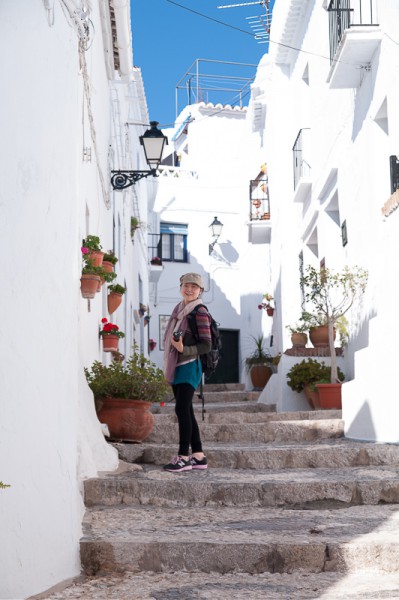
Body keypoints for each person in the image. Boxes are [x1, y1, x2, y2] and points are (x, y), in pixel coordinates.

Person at [162, 273, 212, 473]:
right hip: (178, 365)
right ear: (180, 287)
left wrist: (184, 349)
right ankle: (198, 455)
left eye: (194, 286)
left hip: (190, 364)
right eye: (186, 285)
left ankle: (183, 457)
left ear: (200, 291)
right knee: (186, 410)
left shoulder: (199, 312)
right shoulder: (179, 311)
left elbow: (206, 345)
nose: (189, 289)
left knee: (182, 409)